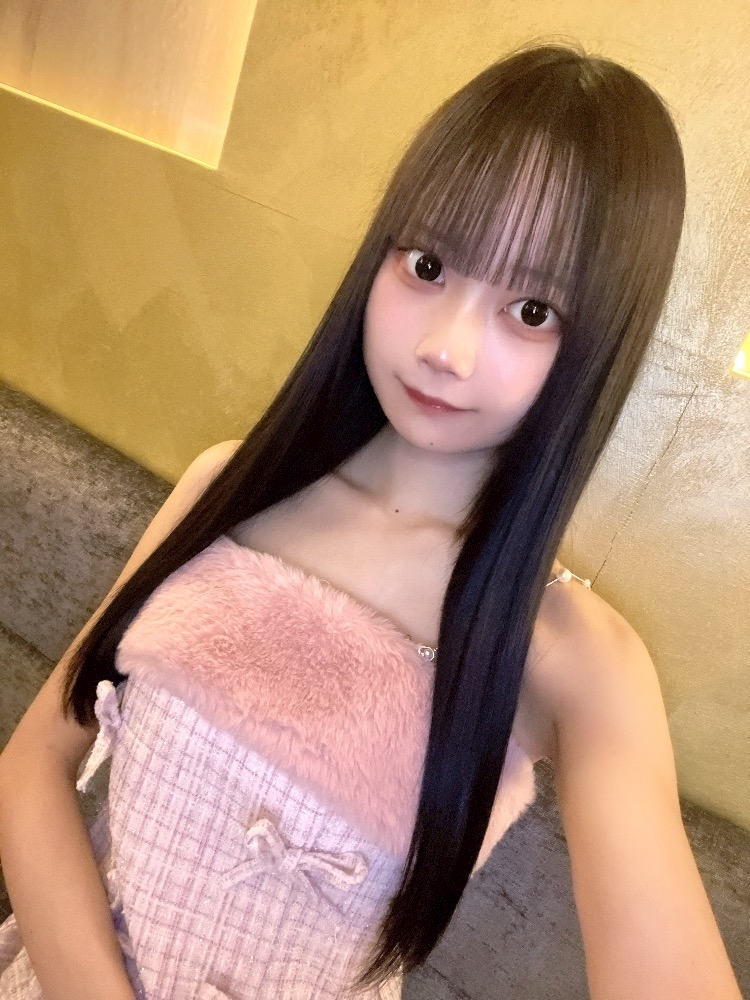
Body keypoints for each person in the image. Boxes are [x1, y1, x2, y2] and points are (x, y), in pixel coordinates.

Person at [0, 42, 742, 1000]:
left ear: (600, 343)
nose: (446, 348)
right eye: (428, 264)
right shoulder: (229, 487)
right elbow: (33, 766)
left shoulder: (574, 657)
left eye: (531, 309)